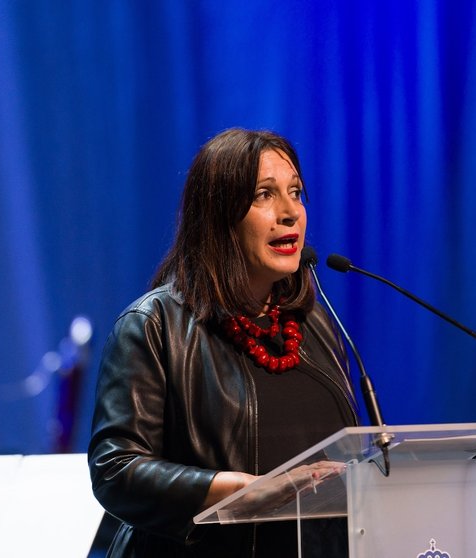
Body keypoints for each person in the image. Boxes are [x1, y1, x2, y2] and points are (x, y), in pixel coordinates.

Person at [88, 128, 359, 557]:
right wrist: (235, 491)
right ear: (218, 215)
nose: (290, 212)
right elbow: (115, 470)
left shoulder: (315, 323)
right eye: (264, 196)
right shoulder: (154, 325)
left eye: (296, 192)